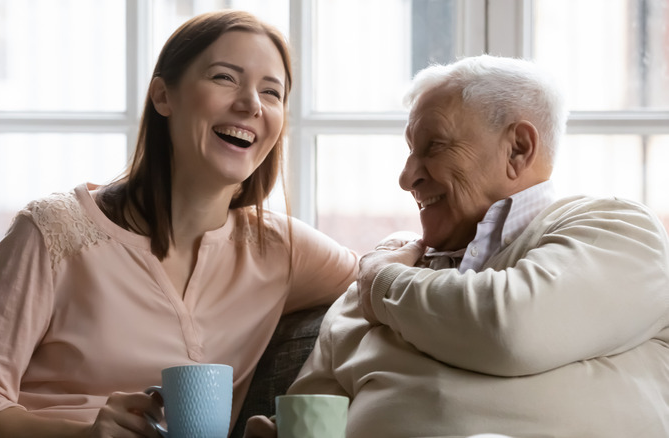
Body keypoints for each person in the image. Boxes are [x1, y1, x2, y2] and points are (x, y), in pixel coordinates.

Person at [0, 10, 358, 438]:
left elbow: (386, 277)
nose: (251, 103)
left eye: (272, 92)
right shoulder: (51, 231)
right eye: (224, 78)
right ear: (163, 97)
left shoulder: (279, 249)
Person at [245, 54, 669, 438]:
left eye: (434, 146)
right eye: (411, 151)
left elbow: (511, 329)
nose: (407, 176)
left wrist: (382, 282)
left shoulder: (618, 229)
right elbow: (313, 409)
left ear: (519, 149)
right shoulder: (378, 281)